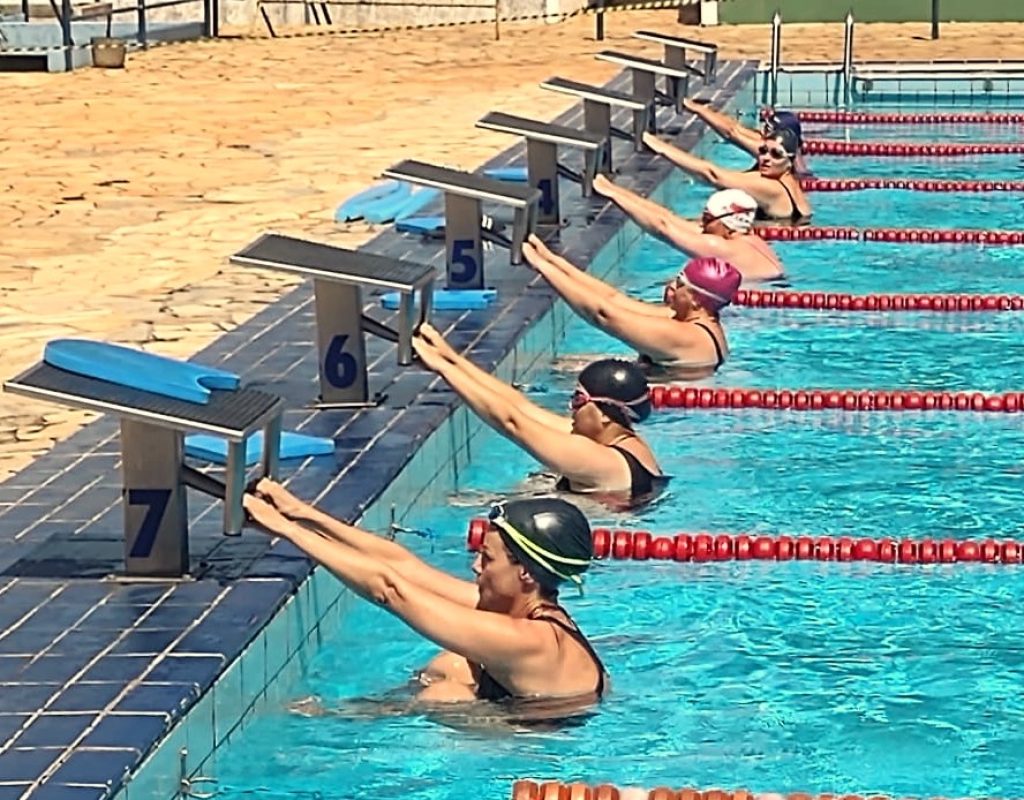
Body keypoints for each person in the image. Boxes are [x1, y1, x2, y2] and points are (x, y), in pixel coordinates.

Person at [242, 483, 607, 710]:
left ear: (525, 572)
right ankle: (377, 707)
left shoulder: (530, 640)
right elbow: (404, 567)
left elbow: (390, 590)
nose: (477, 567)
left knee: (445, 695)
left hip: (536, 744)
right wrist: (301, 513)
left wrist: (286, 532)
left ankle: (349, 715)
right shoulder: (527, 608)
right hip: (520, 704)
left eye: (488, 557)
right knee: (449, 665)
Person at [411, 322, 665, 505]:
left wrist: (443, 369)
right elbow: (520, 408)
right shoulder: (619, 440)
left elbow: (512, 423)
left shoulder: (599, 459)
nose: (571, 407)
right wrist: (449, 358)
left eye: (578, 399)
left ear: (605, 414)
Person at [522, 234, 741, 381]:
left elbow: (603, 315)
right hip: (652, 385)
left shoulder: (684, 335)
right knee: (561, 365)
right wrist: (550, 260)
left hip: (665, 417)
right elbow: (613, 299)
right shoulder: (692, 321)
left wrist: (542, 268)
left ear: (695, 299)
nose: (671, 286)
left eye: (680, 283)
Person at [593, 175, 784, 282]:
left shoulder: (722, 248)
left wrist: (613, 195)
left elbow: (662, 228)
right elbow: (668, 218)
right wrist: (613, 190)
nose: (701, 224)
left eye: (707, 218)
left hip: (750, 318)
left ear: (727, 222)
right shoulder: (750, 240)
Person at [643, 127, 813, 226]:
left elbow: (713, 175)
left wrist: (661, 148)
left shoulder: (772, 187)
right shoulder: (791, 183)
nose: (766, 158)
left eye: (776, 154)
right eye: (762, 151)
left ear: (790, 162)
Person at [683, 100, 813, 178]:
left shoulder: (774, 153)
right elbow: (735, 127)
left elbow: (731, 133)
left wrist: (696, 109)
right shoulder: (790, 148)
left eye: (767, 128)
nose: (762, 130)